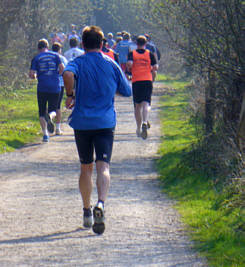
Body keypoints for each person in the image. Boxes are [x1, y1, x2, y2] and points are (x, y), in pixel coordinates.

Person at [63, 25, 131, 234]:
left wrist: (70, 95)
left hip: (82, 122)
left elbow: (66, 73)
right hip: (105, 122)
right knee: (104, 167)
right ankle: (100, 204)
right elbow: (127, 91)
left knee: (86, 167)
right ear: (102, 44)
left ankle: (86, 211)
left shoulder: (78, 62)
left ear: (83, 44)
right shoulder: (111, 64)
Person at [29, 39, 64, 142]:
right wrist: (56, 75)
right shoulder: (55, 56)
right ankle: (50, 116)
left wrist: (36, 76)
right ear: (47, 47)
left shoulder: (36, 58)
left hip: (42, 87)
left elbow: (32, 74)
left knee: (41, 111)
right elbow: (62, 68)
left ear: (38, 48)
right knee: (54, 109)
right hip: (55, 86)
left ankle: (45, 135)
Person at [127, 35, 158, 139]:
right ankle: (145, 121)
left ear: (137, 44)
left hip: (136, 80)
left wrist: (130, 67)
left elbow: (130, 64)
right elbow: (155, 67)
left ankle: (138, 127)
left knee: (137, 105)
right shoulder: (149, 54)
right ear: (145, 44)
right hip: (147, 80)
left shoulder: (132, 53)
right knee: (146, 103)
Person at [51, 42, 68, 135]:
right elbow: (66, 70)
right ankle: (57, 128)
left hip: (48, 83)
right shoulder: (62, 58)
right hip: (59, 84)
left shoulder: (48, 57)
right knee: (58, 106)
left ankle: (47, 125)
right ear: (59, 50)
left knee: (49, 105)